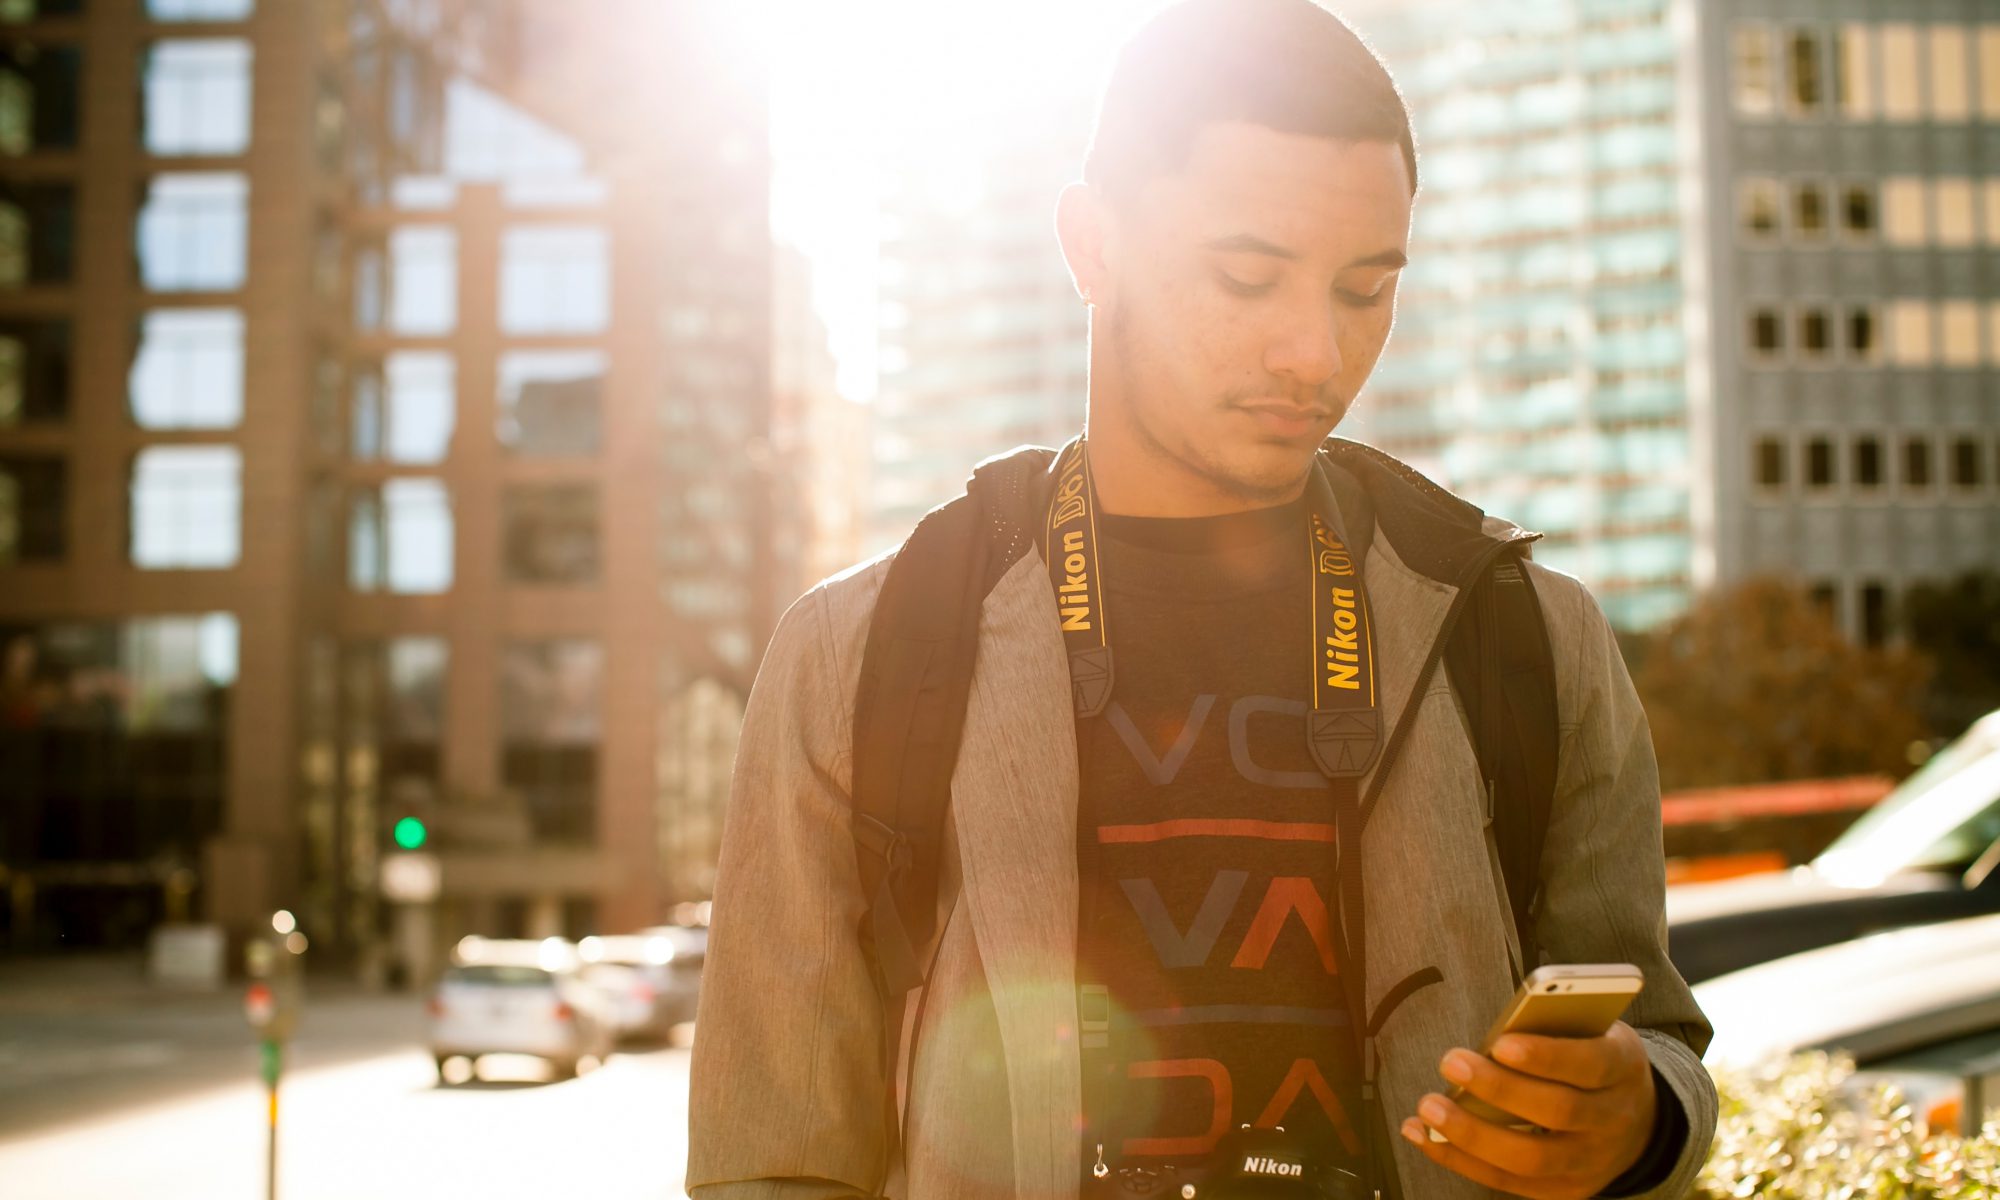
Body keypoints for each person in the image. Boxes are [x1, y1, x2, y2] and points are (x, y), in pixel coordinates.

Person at [687, 2, 1716, 1197]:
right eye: (1246, 277)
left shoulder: (1526, 632)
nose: (1314, 357)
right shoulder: (857, 654)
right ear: (1091, 246)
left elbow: (1660, 1042)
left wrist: (1637, 1119)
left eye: (1363, 289)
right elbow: (768, 1166)